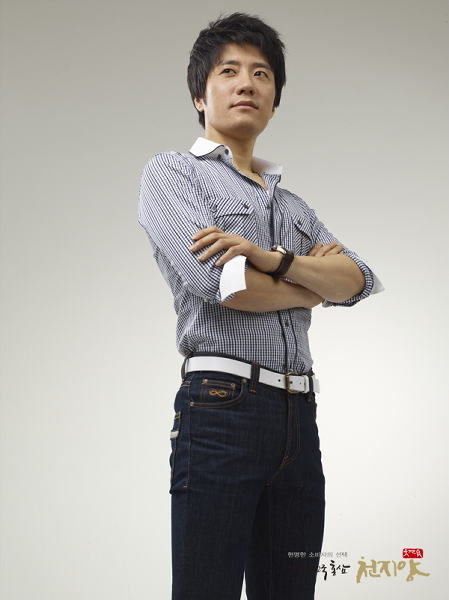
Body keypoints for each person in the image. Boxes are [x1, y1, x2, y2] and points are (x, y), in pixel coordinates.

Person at [138, 11, 384, 600]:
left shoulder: (293, 205)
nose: (247, 83)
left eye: (261, 73)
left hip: (299, 415)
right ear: (201, 96)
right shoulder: (173, 174)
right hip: (221, 407)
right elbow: (224, 285)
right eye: (229, 71)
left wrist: (268, 257)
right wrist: (313, 285)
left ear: (275, 100)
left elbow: (359, 280)